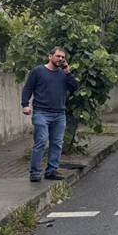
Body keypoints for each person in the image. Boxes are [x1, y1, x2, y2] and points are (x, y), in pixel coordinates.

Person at [21, 47, 79, 182]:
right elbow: (28, 88)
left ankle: (51, 171)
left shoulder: (64, 74)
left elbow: (75, 87)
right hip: (41, 112)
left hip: (59, 114)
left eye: (62, 57)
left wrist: (67, 72)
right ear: (50, 56)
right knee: (41, 141)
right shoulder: (38, 71)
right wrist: (25, 105)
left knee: (57, 143)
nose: (60, 59)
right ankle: (35, 172)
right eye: (58, 56)